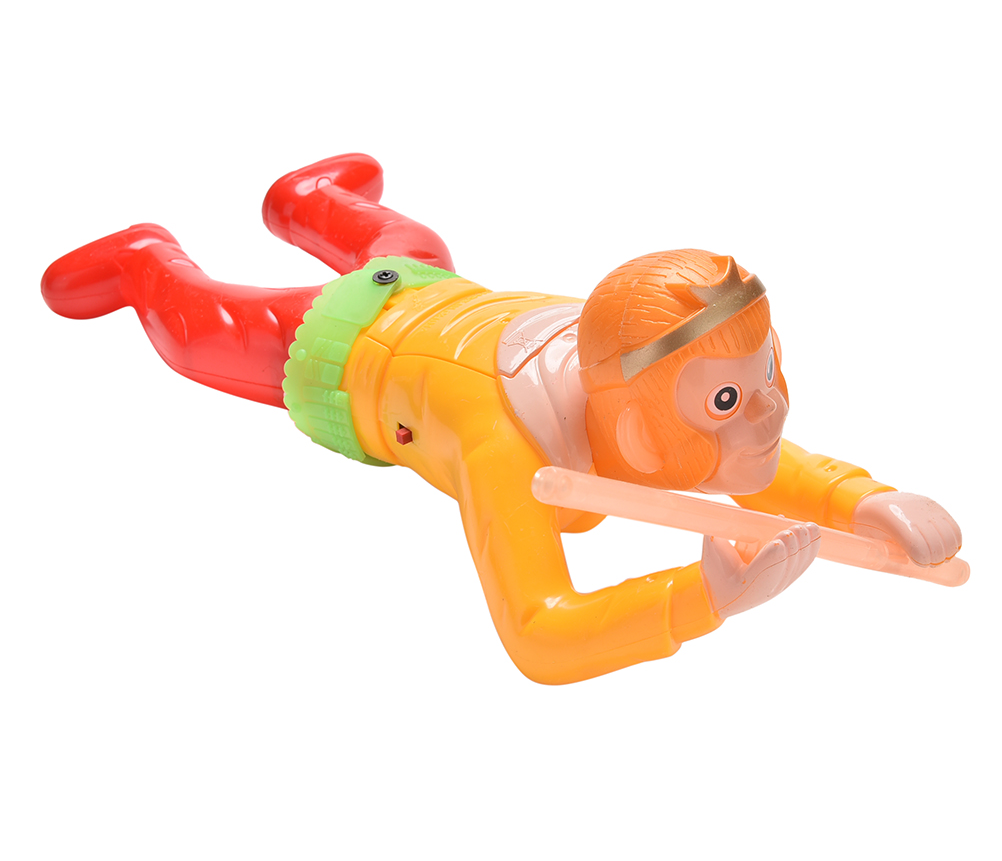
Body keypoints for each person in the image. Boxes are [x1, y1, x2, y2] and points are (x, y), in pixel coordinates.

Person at [41, 154, 962, 684]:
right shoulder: (505, 446)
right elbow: (539, 634)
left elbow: (752, 460)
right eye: (728, 399)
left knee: (410, 247)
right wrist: (702, 599)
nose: (769, 410)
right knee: (203, 330)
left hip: (438, 288)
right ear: (635, 421)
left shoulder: (646, 377)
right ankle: (142, 258)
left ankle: (307, 199)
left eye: (765, 372)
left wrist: (864, 500)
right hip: (332, 344)